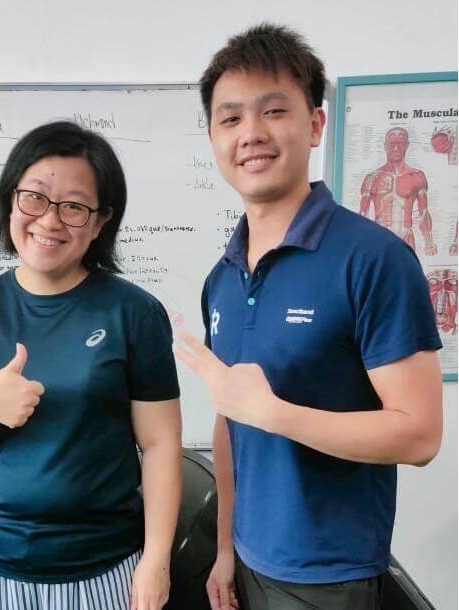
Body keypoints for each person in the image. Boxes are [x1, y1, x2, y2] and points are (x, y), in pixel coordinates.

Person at [174, 24, 443, 610]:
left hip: (332, 574)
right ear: (214, 136)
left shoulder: (374, 258)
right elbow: (230, 421)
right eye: (230, 118)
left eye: (273, 111)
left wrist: (274, 413)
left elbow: (420, 435)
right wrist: (223, 548)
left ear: (315, 123)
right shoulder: (222, 277)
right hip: (245, 556)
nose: (252, 134)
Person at [0, 121, 182, 610]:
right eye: (34, 197)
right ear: (10, 201)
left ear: (100, 222)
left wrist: (156, 558)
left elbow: (160, 443)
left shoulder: (134, 313)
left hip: (102, 565)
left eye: (74, 206)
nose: (50, 221)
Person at [360, 127, 437, 255]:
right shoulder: (372, 178)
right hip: (380, 239)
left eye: (400, 143)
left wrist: (429, 242)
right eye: (392, 143)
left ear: (407, 145)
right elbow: (363, 214)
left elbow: (423, 212)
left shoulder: (416, 176)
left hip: (406, 238)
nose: (396, 147)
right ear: (385, 146)